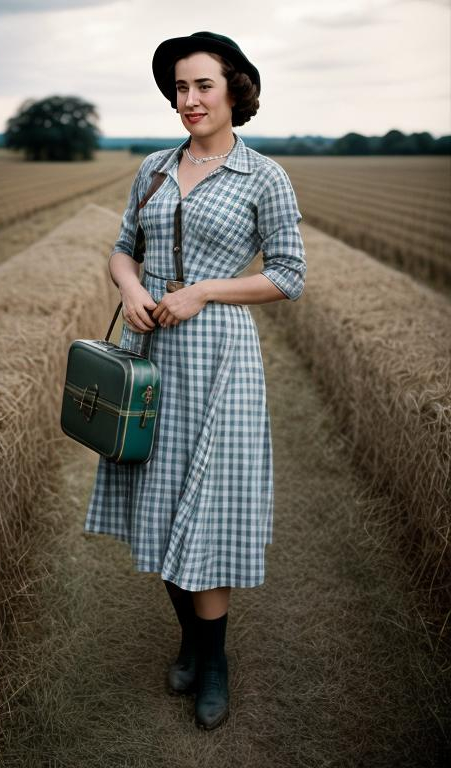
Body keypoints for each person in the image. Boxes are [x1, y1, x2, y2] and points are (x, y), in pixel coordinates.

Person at [84, 31, 307, 731]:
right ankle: (192, 640)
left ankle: (213, 663)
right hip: (148, 354)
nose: (189, 100)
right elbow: (124, 249)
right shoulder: (152, 168)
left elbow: (288, 276)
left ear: (234, 88)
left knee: (203, 513)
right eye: (179, 88)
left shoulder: (263, 176)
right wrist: (130, 287)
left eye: (202, 85)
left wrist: (205, 291)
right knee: (161, 501)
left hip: (218, 361)